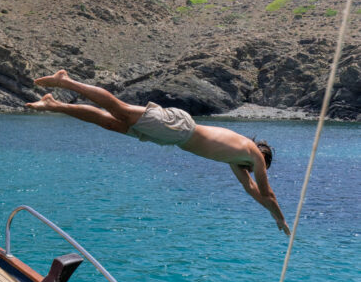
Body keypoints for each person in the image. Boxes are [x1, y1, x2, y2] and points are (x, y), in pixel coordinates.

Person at [26, 70, 291, 235]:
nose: (258, 171)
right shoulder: (251, 153)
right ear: (262, 157)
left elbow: (253, 191)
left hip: (171, 137)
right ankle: (66, 81)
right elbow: (267, 192)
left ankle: (54, 104)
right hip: (179, 128)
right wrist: (280, 219)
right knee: (121, 109)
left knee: (108, 122)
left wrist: (271, 214)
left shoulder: (238, 159)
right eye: (262, 167)